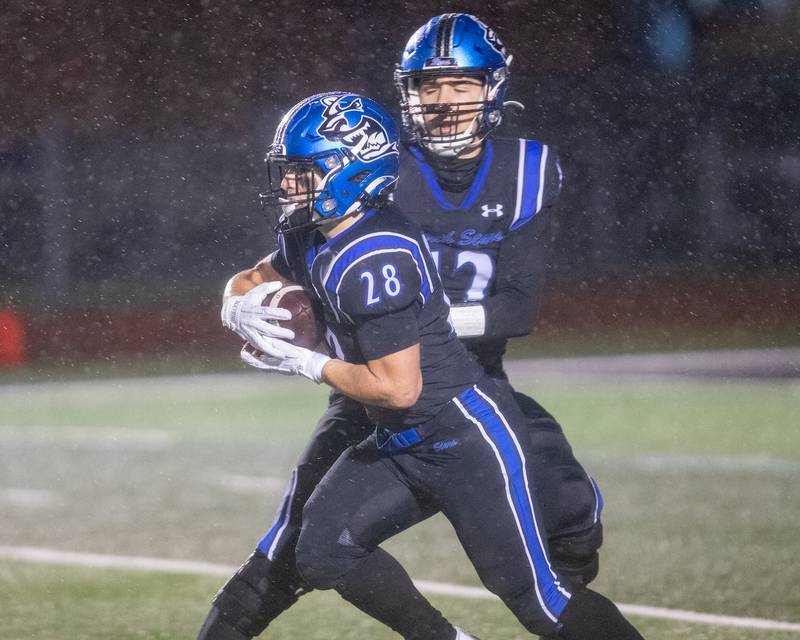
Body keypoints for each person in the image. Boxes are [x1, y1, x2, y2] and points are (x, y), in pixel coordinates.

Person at [200, 14, 603, 640]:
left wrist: (406, 327)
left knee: (572, 523)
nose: (444, 101)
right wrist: (235, 302)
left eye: (461, 84)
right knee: (295, 546)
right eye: (427, 86)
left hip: (466, 386)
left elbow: (517, 310)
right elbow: (277, 267)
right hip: (370, 391)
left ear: (492, 86)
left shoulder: (526, 169)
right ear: (405, 92)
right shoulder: (364, 171)